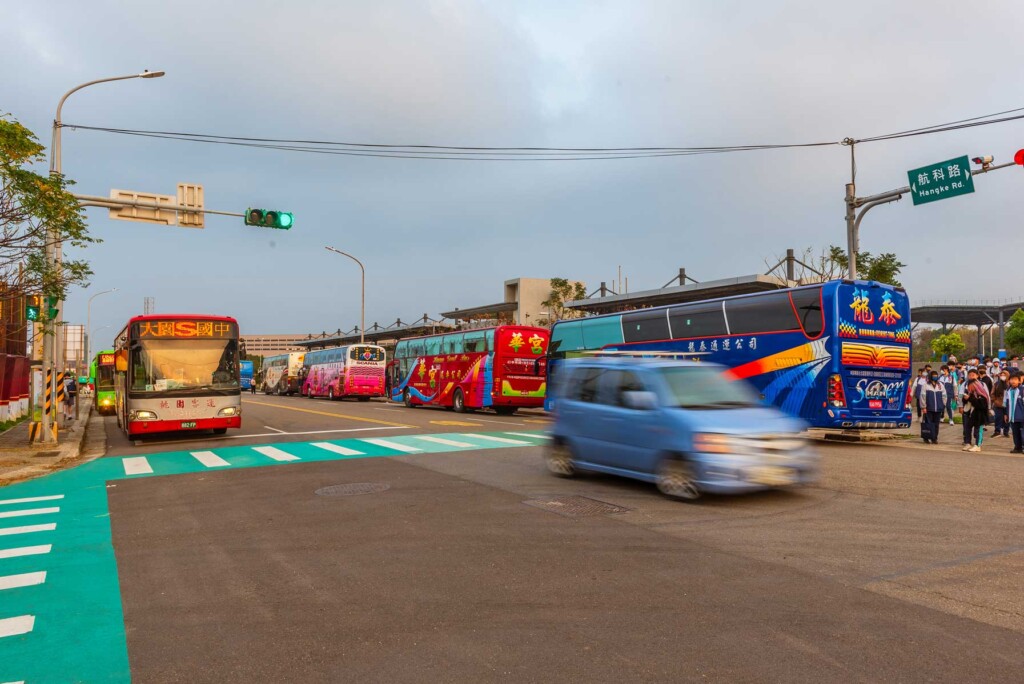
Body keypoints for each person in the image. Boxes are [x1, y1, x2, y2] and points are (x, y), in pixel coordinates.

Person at [962, 369, 990, 453]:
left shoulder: (982, 394)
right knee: (967, 428)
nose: (970, 388)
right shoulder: (970, 392)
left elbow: (981, 405)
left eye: (971, 386)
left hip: (979, 415)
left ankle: (978, 445)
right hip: (969, 413)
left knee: (978, 430)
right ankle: (968, 443)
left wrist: (970, 398)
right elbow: (965, 402)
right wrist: (965, 399)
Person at [919, 371, 946, 444]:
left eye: (936, 375)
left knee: (936, 424)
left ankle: (934, 438)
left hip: (938, 408)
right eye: (933, 375)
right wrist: (923, 407)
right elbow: (922, 396)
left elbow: (944, 395)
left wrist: (943, 404)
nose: (935, 377)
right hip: (929, 408)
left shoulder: (940, 385)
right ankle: (926, 437)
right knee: (928, 423)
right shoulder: (925, 385)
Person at [1005, 374, 1024, 454]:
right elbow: (1006, 404)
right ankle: (1017, 447)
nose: (1013, 381)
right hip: (1012, 416)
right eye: (1011, 379)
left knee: (1023, 433)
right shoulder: (1008, 391)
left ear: (1019, 381)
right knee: (1015, 433)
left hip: (1022, 416)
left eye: (1015, 379)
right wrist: (1006, 414)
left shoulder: (1022, 390)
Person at [991, 369, 1010, 438]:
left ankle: (1006, 431)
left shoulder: (1010, 384)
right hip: (998, 403)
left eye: (1004, 375)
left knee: (1007, 418)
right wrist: (994, 400)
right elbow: (992, 393)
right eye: (1001, 375)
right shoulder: (997, 384)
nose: (1002, 376)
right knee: (998, 418)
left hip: (1008, 404)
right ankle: (997, 431)